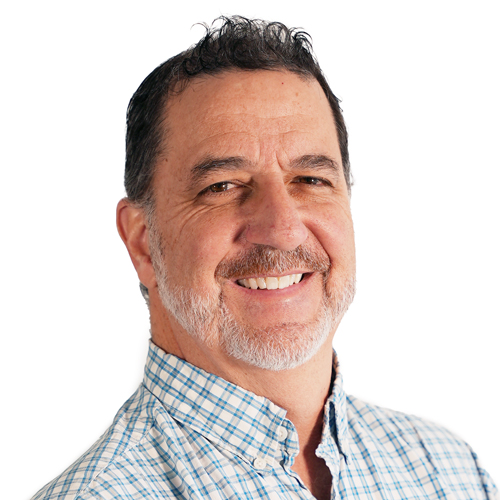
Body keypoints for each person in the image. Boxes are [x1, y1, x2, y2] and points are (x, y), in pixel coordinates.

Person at [31, 16, 498, 500]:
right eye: (223, 186)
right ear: (143, 241)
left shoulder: (449, 471)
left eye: (311, 180)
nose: (282, 229)